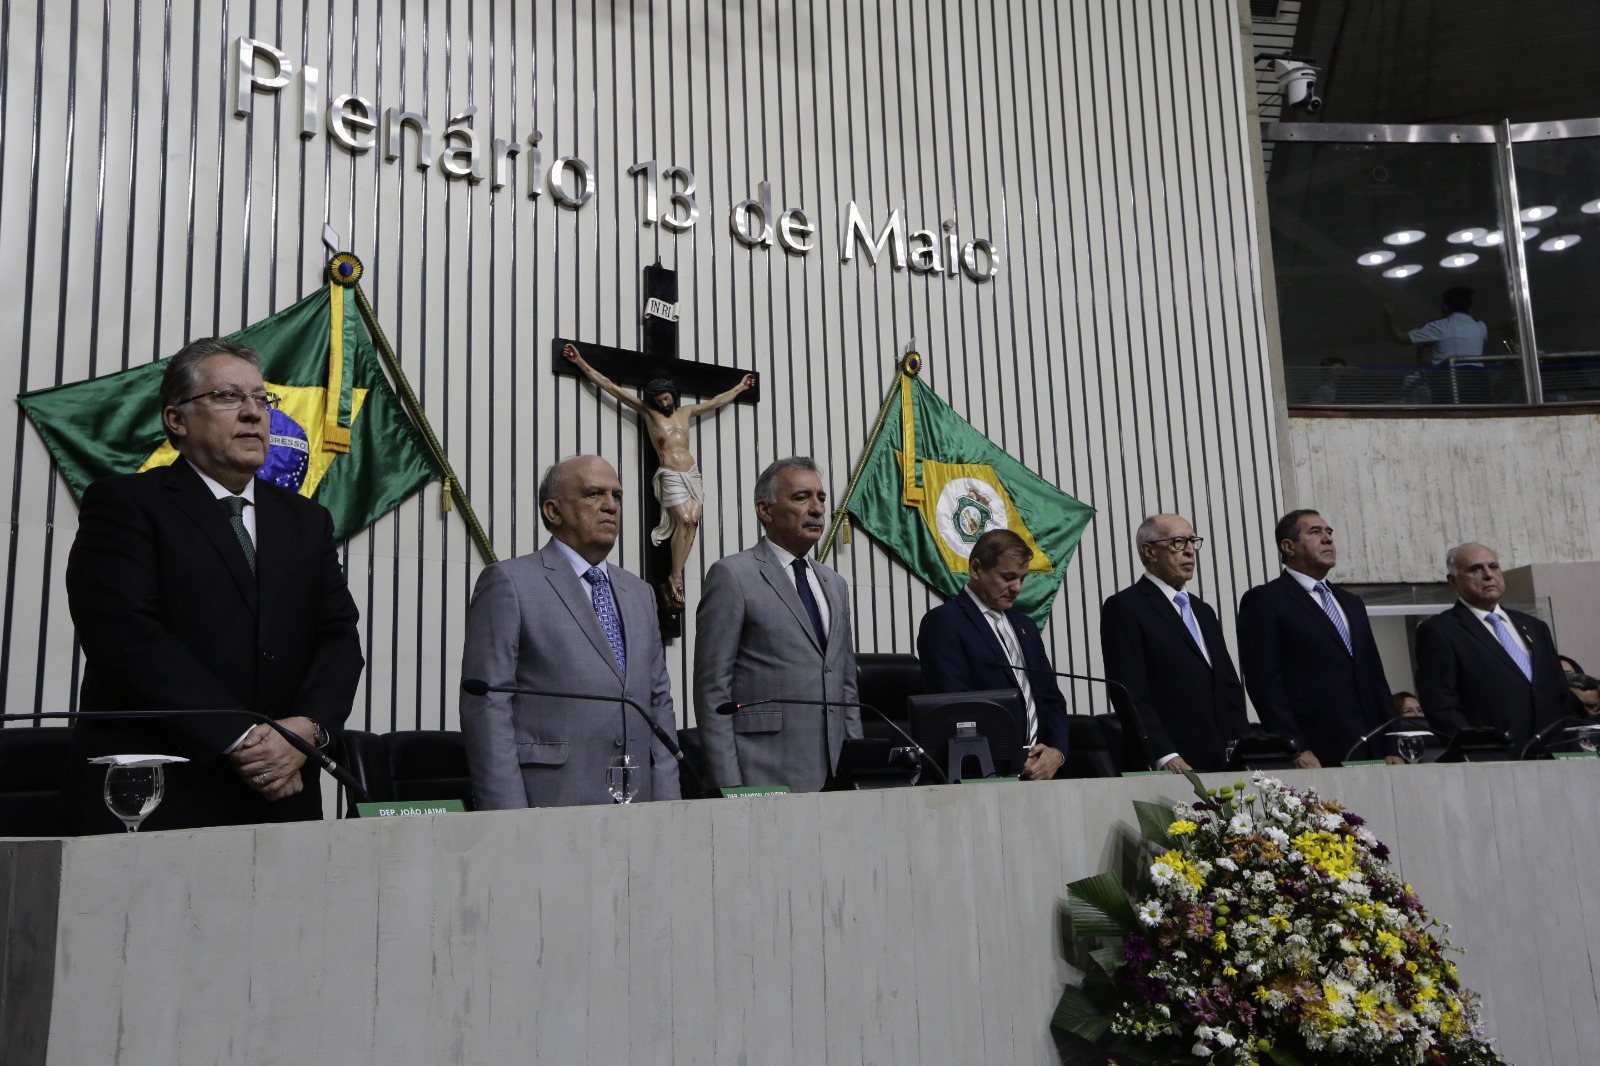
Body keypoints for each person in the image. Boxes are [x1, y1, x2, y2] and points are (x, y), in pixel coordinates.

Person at [63, 337, 363, 833]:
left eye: (261, 400)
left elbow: (339, 636)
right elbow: (127, 637)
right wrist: (243, 737)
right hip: (159, 790)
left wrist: (306, 731)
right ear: (176, 419)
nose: (252, 414)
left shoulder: (305, 520)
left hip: (282, 787)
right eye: (228, 397)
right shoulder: (125, 504)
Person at [460, 455, 679, 807]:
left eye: (617, 496)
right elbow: (487, 707)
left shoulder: (639, 592)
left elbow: (658, 702)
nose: (610, 505)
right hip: (551, 800)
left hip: (640, 803)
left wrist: (669, 800)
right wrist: (507, 815)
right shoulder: (510, 583)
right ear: (553, 511)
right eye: (594, 494)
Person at [692, 457, 860, 792]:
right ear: (765, 511)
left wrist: (859, 767)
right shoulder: (733, 576)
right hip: (763, 772)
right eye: (801, 498)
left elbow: (845, 685)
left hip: (837, 773)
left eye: (821, 498)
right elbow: (713, 691)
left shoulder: (835, 584)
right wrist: (730, 787)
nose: (817, 509)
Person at [562, 343, 755, 610]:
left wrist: (740, 388)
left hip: (692, 473)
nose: (664, 402)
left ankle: (676, 574)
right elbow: (610, 387)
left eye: (667, 397)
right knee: (684, 519)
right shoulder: (649, 413)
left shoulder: (685, 413)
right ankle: (675, 576)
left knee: (692, 523)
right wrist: (580, 362)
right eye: (660, 399)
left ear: (673, 395)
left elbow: (716, 401)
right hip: (671, 474)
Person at [1236, 509, 1392, 766]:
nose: (1328, 538)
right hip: (1316, 749)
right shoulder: (1266, 600)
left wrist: (1390, 743)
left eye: (1329, 532)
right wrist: (1294, 747)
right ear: (1289, 547)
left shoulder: (1351, 603)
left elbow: (1375, 678)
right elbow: (1265, 684)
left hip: (1373, 748)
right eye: (1315, 532)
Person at [917, 528, 1071, 780]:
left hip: (1043, 773)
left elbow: (1051, 698)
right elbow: (957, 705)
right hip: (985, 772)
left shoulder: (1026, 626)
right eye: (1008, 577)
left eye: (1022, 578)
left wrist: (1057, 752)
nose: (1017, 588)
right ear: (976, 569)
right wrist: (1016, 756)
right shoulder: (944, 622)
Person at [1100, 515, 1247, 773]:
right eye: (1179, 542)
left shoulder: (1203, 611)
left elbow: (1228, 686)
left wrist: (1244, 749)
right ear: (1150, 551)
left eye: (1193, 541)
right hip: (1171, 762)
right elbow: (1129, 690)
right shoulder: (1125, 607)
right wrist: (1163, 754)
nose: (1190, 550)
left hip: (1222, 761)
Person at [1414, 543, 1572, 750]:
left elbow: (1559, 692)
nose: (1488, 575)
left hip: (1551, 753)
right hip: (1492, 758)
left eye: (1494, 566)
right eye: (1475, 569)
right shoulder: (1440, 631)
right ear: (1453, 580)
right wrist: (1476, 749)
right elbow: (1440, 704)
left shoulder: (1535, 627)